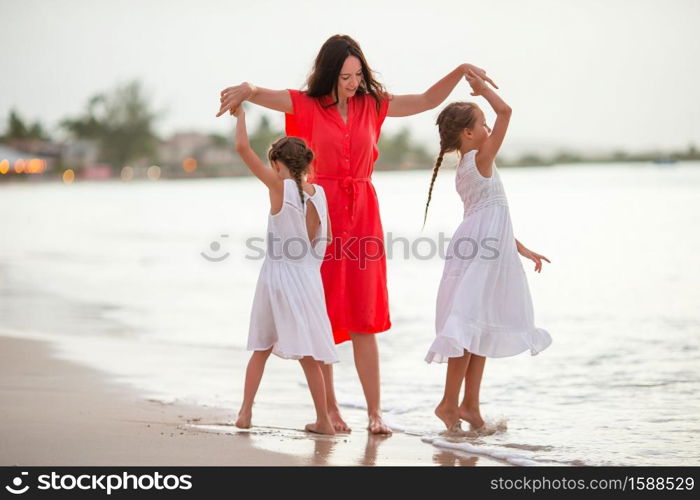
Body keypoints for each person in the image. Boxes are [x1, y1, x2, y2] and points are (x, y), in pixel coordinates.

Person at [217, 34, 497, 435]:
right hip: (322, 220)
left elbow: (424, 101)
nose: (353, 82)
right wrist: (248, 90)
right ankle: (329, 410)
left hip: (364, 215)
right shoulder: (307, 104)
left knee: (365, 318)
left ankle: (375, 414)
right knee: (324, 315)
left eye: (358, 74)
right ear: (330, 74)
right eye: (346, 76)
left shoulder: (374, 105)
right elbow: (268, 95)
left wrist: (459, 70)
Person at [423, 70, 553, 432]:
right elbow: (507, 112)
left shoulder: (471, 165)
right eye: (482, 124)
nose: (489, 129)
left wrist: (521, 248)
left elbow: (491, 215)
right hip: (481, 252)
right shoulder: (479, 159)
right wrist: (483, 91)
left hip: (487, 248)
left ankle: (469, 406)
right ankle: (449, 404)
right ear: (468, 134)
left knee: (478, 326)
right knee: (467, 325)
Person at [231, 104, 338, 435]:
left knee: (261, 346)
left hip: (277, 277)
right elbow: (327, 240)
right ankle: (324, 419)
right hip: (308, 279)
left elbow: (242, 149)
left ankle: (246, 412)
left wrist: (241, 116)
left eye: (272, 164)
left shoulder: (279, 187)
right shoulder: (318, 194)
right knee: (310, 354)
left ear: (277, 165)